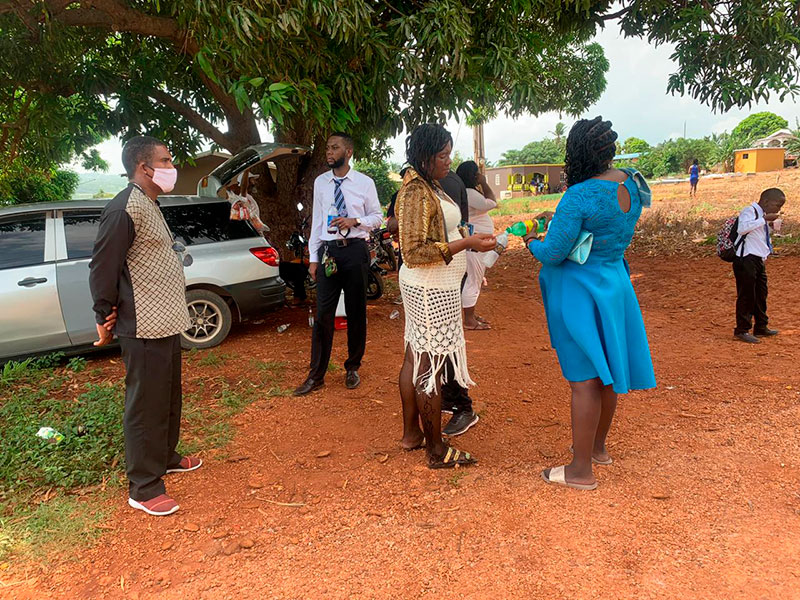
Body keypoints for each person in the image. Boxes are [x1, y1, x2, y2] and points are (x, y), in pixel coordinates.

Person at [523, 117, 656, 490]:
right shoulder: (632, 182)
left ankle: (580, 471)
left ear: (577, 153)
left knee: (583, 381)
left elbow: (553, 253)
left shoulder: (579, 195)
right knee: (607, 374)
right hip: (615, 284)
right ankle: (597, 448)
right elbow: (604, 229)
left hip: (580, 292)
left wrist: (530, 241)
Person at [89, 135, 202, 516]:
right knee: (145, 405)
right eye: (166, 161)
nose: (172, 167)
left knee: (167, 397)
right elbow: (103, 266)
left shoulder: (149, 202)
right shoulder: (123, 208)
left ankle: (166, 456)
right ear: (144, 167)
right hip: (143, 325)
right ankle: (144, 485)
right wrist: (103, 312)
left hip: (166, 320)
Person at [396, 123, 495, 468]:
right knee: (429, 365)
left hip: (436, 285)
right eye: (442, 155)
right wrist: (466, 243)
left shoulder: (428, 184)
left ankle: (413, 434)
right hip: (429, 288)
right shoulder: (415, 191)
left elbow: (439, 231)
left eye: (449, 154)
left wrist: (465, 237)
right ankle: (436, 450)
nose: (448, 161)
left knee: (415, 356)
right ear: (425, 156)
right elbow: (413, 251)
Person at [293, 132, 383, 396]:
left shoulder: (364, 183)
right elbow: (317, 221)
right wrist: (313, 258)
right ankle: (316, 375)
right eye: (327, 148)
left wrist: (355, 221)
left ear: (348, 152)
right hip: (329, 252)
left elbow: (377, 217)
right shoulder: (321, 182)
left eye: (335, 148)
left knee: (356, 312)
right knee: (323, 315)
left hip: (355, 250)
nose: (329, 153)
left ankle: (352, 367)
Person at [731, 188, 786, 344]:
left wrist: (770, 225)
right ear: (766, 201)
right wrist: (764, 219)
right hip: (745, 258)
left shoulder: (761, 215)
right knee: (747, 294)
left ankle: (761, 326)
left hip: (758, 258)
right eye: (777, 205)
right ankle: (742, 329)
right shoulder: (749, 211)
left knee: (761, 293)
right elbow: (742, 229)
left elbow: (758, 235)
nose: (778, 209)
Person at [455, 160, 497, 330]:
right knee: (474, 280)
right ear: (473, 175)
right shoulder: (470, 192)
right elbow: (492, 202)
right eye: (477, 173)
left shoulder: (464, 192)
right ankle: (469, 320)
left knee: (471, 279)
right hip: (475, 244)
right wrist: (484, 183)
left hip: (473, 242)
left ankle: (469, 315)